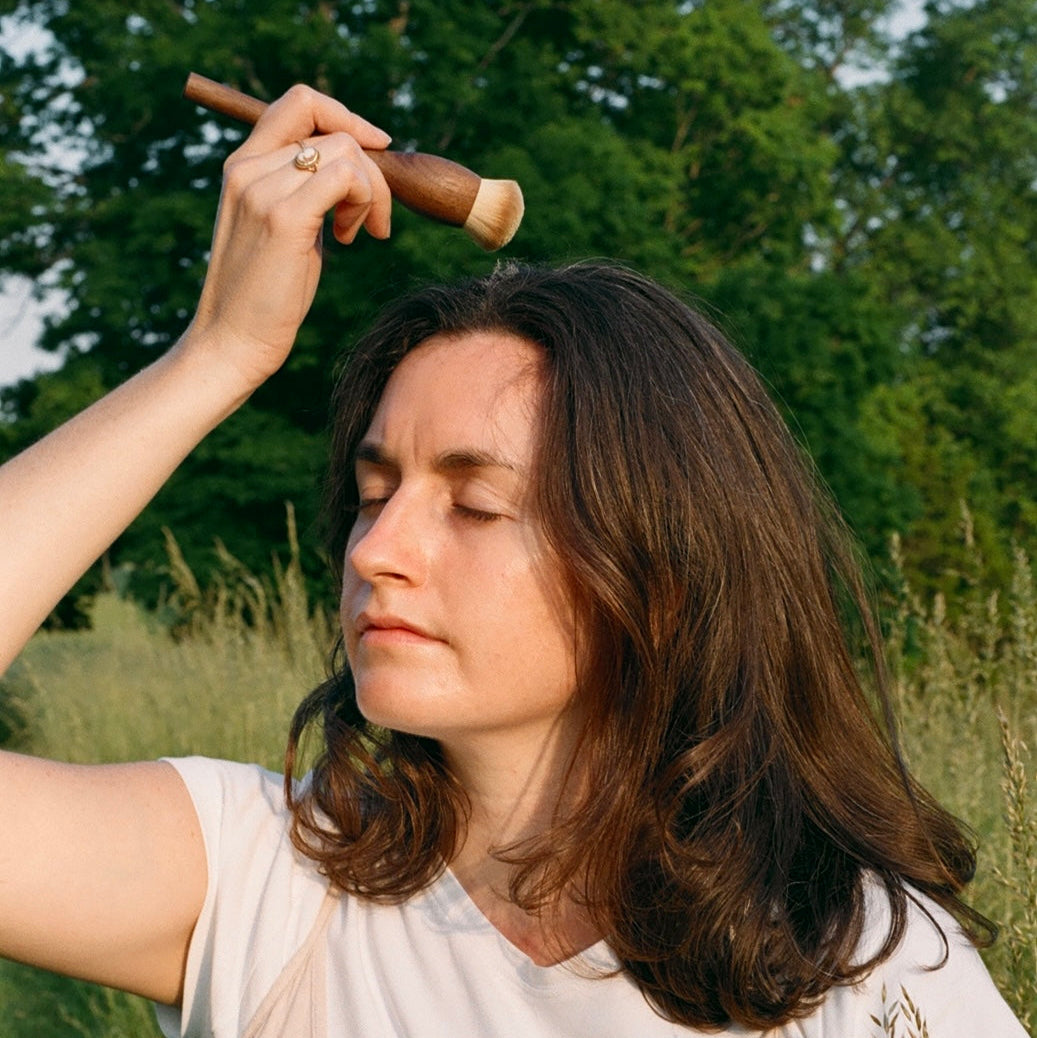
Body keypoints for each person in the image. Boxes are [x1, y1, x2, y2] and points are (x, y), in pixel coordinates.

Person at [0, 85, 1027, 1038]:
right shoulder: (260, 876)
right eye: (370, 495)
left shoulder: (858, 965)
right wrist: (215, 355)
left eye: (476, 505)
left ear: (660, 581)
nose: (379, 550)